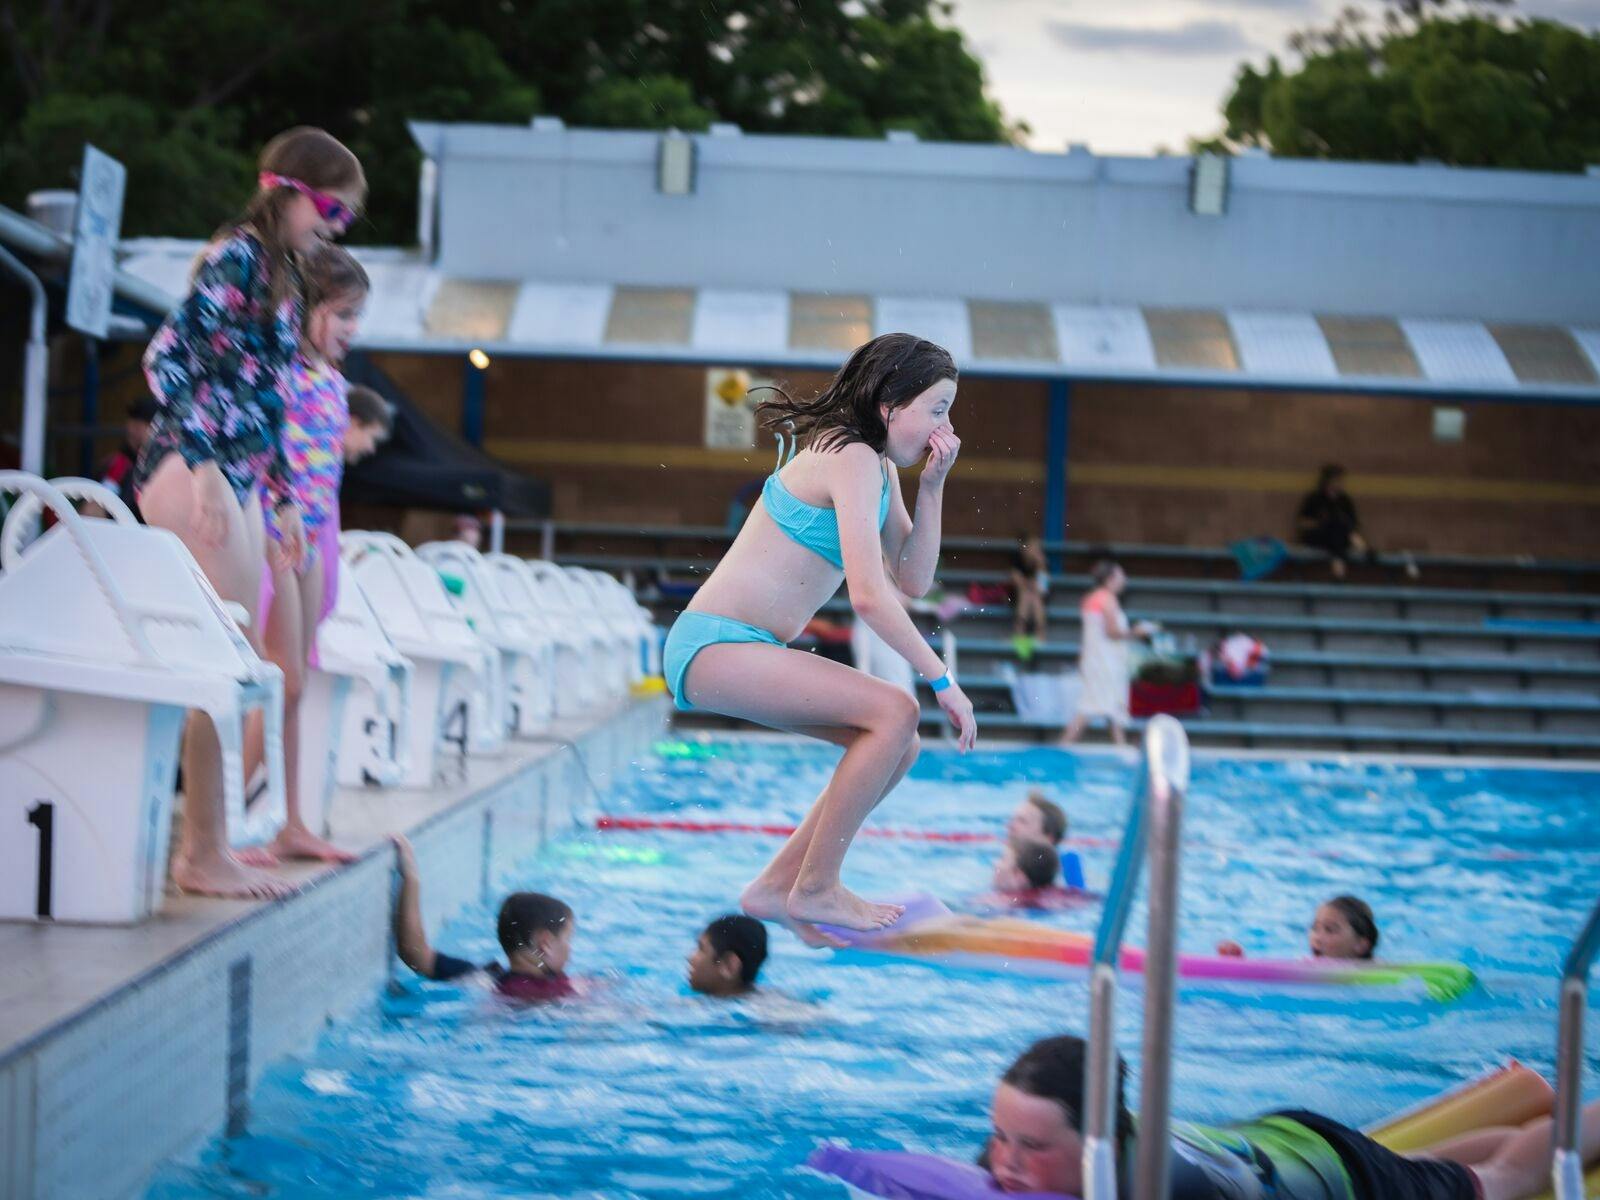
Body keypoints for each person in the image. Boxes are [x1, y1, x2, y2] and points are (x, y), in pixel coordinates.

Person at [661, 333, 977, 942]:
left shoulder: (877, 466)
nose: (947, 425)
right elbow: (867, 595)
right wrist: (943, 680)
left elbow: (912, 577)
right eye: (938, 408)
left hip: (740, 647)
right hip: (716, 644)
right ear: (892, 405)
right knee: (897, 711)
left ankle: (779, 887)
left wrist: (933, 486)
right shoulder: (849, 454)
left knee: (896, 741)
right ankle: (816, 887)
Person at [134, 125, 365, 899]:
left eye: (346, 219)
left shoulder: (281, 273)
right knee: (224, 657)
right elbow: (167, 358)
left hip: (240, 477)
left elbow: (263, 399)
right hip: (192, 469)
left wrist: (281, 499)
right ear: (288, 189)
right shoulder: (237, 255)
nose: (335, 227)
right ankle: (201, 852)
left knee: (234, 662)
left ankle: (208, 844)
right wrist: (202, 468)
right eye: (331, 208)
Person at [984, 1033, 1600, 1199]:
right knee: (1418, 1164)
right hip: (1282, 1142)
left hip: (1349, 1180)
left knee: (1501, 1182)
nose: (1004, 1162)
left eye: (1032, 1148)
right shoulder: (1008, 1157)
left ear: (1094, 1142)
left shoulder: (1163, 1189)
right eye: (998, 1137)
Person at [242, 242, 371, 865]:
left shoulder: (330, 376)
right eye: (343, 314)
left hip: (315, 531)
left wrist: (325, 539)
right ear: (310, 307)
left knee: (298, 682)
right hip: (276, 527)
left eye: (356, 318)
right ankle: (228, 816)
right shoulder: (281, 366)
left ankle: (289, 822)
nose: (351, 329)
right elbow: (262, 453)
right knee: (282, 680)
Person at [390, 835, 577, 1002]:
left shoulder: (484, 978)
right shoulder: (556, 994)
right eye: (568, 939)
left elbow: (415, 954)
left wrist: (411, 879)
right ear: (546, 943)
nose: (570, 949)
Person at [1057, 561, 1155, 749]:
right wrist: (1137, 631)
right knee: (1090, 706)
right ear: (1110, 579)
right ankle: (1064, 745)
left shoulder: (1090, 598)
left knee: (1111, 705)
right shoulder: (1107, 599)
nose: (1124, 580)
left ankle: (1121, 746)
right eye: (1120, 576)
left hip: (1096, 659)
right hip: (1105, 661)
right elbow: (1112, 632)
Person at [1216, 895, 1378, 961]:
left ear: (1361, 945)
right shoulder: (1303, 965)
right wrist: (1241, 961)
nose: (1317, 937)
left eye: (1330, 930)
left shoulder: (1376, 971)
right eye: (1315, 928)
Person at [1296, 464, 1372, 581]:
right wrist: (1322, 523)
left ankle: (1339, 572)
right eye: (1337, 480)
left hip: (1339, 538)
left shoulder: (1344, 500)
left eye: (1341, 481)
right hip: (1318, 537)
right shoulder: (1315, 498)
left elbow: (1354, 524)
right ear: (1328, 481)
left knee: (1338, 529)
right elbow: (1302, 523)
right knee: (1335, 525)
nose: (1340, 483)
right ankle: (1362, 547)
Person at [93, 396, 157, 520]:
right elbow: (91, 513)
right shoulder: (119, 465)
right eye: (132, 422)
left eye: (141, 424)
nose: (132, 429)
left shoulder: (170, 468)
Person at [687, 914, 770, 997]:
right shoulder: (772, 1000)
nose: (690, 958)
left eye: (701, 949)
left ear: (729, 965)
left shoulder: (695, 1007)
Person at [1009, 533, 1048, 654]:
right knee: (1027, 595)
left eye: (1036, 548)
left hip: (1037, 597)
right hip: (1019, 596)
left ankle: (1037, 634)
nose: (1033, 551)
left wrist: (1041, 565)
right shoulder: (1017, 560)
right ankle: (1022, 633)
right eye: (1031, 547)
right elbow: (1017, 581)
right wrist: (1029, 584)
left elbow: (1043, 588)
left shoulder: (1042, 563)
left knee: (1035, 598)